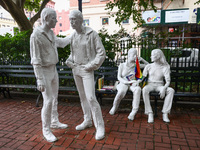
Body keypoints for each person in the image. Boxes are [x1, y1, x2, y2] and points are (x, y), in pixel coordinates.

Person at [30, 8, 70, 142]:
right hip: (44, 72)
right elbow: (35, 60)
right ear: (46, 18)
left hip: (53, 70)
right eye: (54, 18)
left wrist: (74, 35)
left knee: (54, 98)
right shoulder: (36, 35)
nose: (56, 20)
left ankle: (54, 121)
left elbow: (61, 43)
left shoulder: (51, 33)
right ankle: (46, 129)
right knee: (47, 101)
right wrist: (39, 79)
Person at [65, 10, 106, 140]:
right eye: (70, 19)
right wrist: (69, 60)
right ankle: (87, 120)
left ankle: (100, 126)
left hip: (87, 69)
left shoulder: (92, 34)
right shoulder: (73, 36)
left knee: (91, 97)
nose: (71, 22)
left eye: (74, 19)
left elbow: (101, 53)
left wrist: (91, 66)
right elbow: (75, 53)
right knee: (82, 97)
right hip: (76, 69)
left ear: (80, 20)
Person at [109, 48, 148, 120]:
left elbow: (148, 66)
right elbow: (119, 77)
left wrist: (142, 59)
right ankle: (115, 106)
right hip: (123, 83)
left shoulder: (137, 65)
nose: (135, 56)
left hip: (133, 83)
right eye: (134, 55)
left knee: (138, 89)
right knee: (121, 91)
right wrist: (127, 82)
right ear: (129, 55)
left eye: (136, 55)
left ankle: (134, 111)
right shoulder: (122, 65)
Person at [142, 49, 174, 123]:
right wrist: (136, 81)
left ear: (158, 56)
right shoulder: (148, 66)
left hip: (160, 85)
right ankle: (149, 113)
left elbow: (168, 81)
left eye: (152, 55)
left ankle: (165, 113)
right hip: (150, 85)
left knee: (171, 90)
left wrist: (164, 88)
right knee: (144, 89)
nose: (151, 57)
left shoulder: (165, 67)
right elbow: (142, 77)